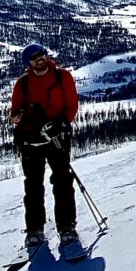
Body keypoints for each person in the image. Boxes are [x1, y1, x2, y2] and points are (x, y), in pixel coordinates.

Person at [9, 41, 81, 253]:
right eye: (34, 57)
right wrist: (17, 118)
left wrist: (61, 124)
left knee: (62, 181)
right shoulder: (22, 84)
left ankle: (67, 227)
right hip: (31, 141)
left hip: (58, 138)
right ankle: (34, 230)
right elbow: (14, 112)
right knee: (33, 185)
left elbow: (72, 105)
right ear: (28, 63)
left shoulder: (62, 77)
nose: (39, 59)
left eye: (41, 54)